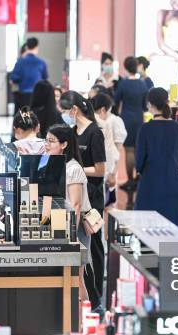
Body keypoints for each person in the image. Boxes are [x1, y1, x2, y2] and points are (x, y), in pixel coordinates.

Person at [59, 91, 106, 310]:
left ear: (74, 110)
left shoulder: (95, 133)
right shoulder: (71, 132)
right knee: (77, 252)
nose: (63, 115)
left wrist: (74, 171)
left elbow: (100, 169)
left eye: (64, 110)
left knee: (92, 248)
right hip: (72, 195)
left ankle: (96, 299)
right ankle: (83, 297)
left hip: (91, 199)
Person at [45, 124, 94, 303]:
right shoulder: (53, 164)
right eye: (46, 140)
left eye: (51, 141)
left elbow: (76, 205)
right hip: (59, 224)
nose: (47, 145)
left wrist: (70, 234)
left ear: (64, 144)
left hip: (75, 228)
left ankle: (85, 320)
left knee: (77, 278)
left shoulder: (73, 168)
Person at [135, 88, 178, 226]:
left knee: (148, 234)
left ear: (149, 104)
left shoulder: (145, 129)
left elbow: (139, 163)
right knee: (172, 235)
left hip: (150, 186)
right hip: (173, 185)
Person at [115, 57, 149, 183]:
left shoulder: (123, 83)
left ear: (125, 67)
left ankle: (130, 181)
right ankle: (137, 178)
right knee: (138, 149)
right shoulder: (142, 84)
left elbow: (116, 101)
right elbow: (145, 106)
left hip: (126, 119)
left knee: (128, 150)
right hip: (139, 118)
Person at [91, 92, 127, 200]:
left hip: (108, 165)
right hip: (101, 164)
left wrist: (113, 172)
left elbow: (117, 148)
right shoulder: (96, 121)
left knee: (107, 197)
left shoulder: (114, 121)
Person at [10, 37, 49, 114]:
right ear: (37, 47)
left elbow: (14, 78)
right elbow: (45, 79)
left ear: (26, 47)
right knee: (36, 116)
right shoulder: (41, 62)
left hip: (23, 96)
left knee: (25, 117)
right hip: (38, 95)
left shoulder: (20, 62)